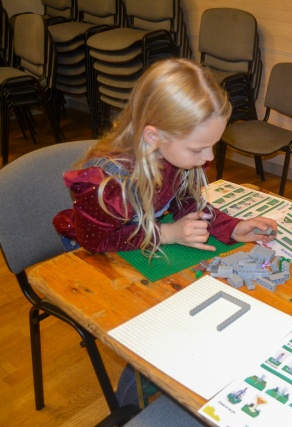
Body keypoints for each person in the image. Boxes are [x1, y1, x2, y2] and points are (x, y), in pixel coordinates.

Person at [52, 58, 278, 407]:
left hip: (143, 234)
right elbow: (95, 241)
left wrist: (232, 227)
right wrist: (168, 234)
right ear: (153, 136)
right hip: (92, 248)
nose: (207, 157)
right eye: (198, 148)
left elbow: (188, 202)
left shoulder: (174, 155)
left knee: (189, 309)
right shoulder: (107, 183)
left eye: (213, 145)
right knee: (157, 329)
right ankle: (133, 407)